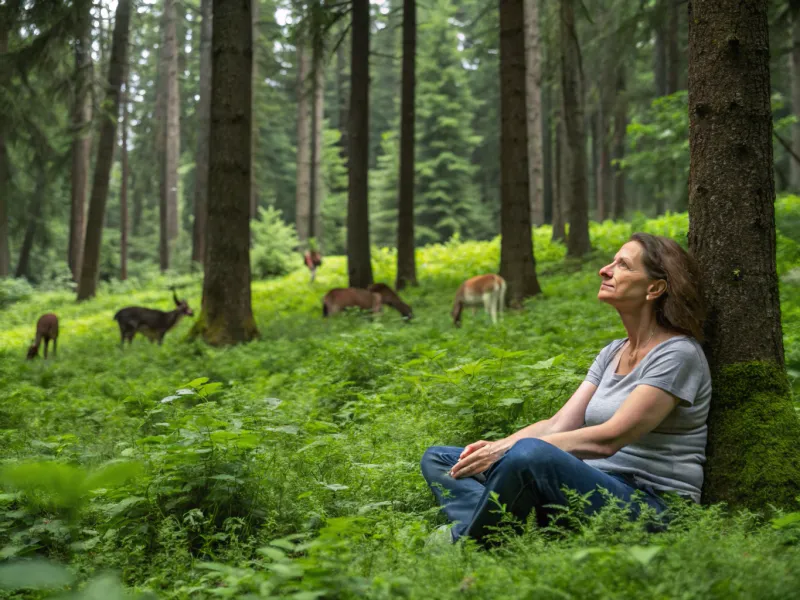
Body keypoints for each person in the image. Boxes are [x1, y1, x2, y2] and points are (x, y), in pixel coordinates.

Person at [420, 233, 711, 546]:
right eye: (611, 261)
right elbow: (557, 424)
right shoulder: (612, 352)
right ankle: (502, 526)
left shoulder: (677, 354)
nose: (605, 269)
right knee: (442, 459)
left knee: (528, 454)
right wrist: (496, 447)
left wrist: (510, 452)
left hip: (648, 504)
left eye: (622, 265)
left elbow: (608, 439)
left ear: (654, 288)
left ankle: (470, 544)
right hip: (585, 486)